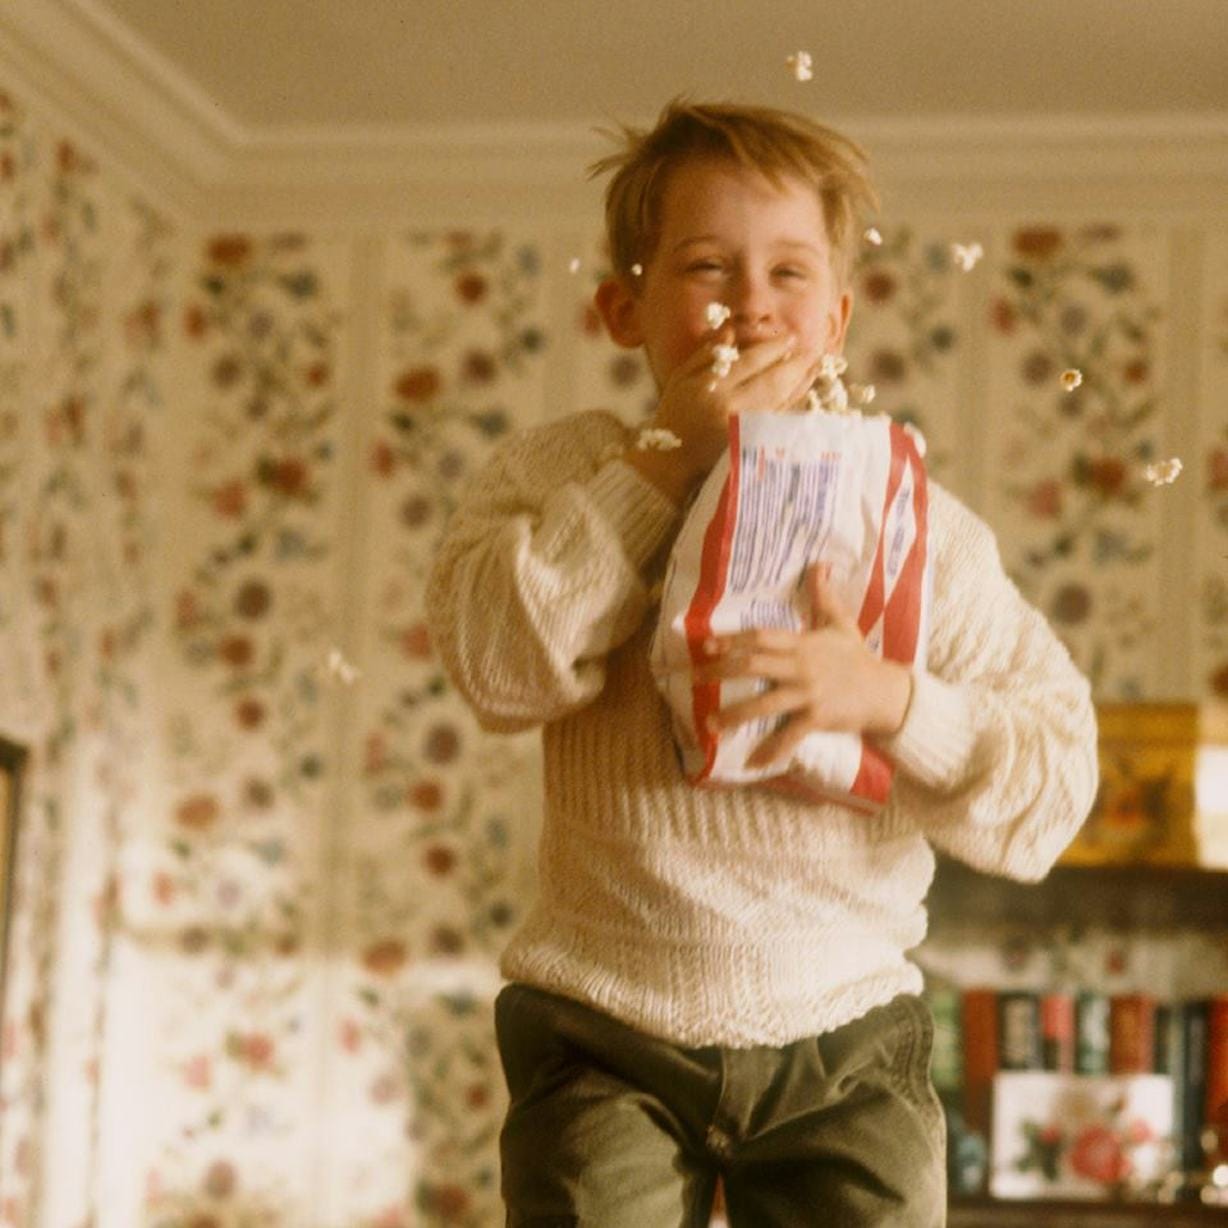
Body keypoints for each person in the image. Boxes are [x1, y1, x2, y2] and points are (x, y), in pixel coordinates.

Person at [425, 98, 1098, 1228]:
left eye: (789, 272)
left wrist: (889, 700)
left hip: (844, 1032)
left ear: (835, 318)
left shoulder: (913, 523)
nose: (749, 302)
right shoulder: (556, 474)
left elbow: (1052, 791)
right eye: (705, 266)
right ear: (622, 308)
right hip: (603, 1024)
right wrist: (662, 465)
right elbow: (496, 666)